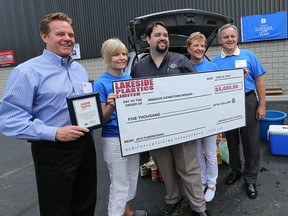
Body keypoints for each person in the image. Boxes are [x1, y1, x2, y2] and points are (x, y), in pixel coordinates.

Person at [0, 12, 97, 216]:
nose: (67, 39)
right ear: (44, 37)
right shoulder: (27, 71)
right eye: (60, 34)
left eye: (70, 34)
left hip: (86, 144)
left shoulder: (78, 69)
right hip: (53, 150)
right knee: (57, 209)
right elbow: (10, 119)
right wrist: (54, 132)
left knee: (85, 202)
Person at [131, 21, 210, 216]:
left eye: (165, 35)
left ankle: (198, 206)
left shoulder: (181, 61)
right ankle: (173, 198)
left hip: (182, 127)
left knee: (189, 169)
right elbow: (133, 100)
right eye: (158, 35)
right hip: (155, 129)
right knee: (165, 169)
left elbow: (197, 89)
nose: (163, 38)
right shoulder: (139, 68)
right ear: (148, 39)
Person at [93, 38, 147, 216]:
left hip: (131, 136)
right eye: (116, 54)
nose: (122, 57)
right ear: (107, 58)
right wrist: (111, 105)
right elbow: (101, 119)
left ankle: (127, 211)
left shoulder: (128, 78)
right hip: (114, 138)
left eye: (124, 54)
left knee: (132, 177)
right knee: (118, 183)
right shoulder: (100, 83)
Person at [212, 23, 266, 199]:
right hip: (227, 103)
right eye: (226, 37)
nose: (229, 39)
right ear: (220, 40)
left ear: (237, 38)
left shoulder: (248, 55)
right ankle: (236, 170)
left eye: (232, 36)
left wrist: (262, 105)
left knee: (250, 141)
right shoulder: (215, 63)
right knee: (231, 139)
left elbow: (259, 81)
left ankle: (250, 179)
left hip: (247, 100)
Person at [186, 32, 219, 202]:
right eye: (196, 45)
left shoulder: (212, 67)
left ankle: (212, 183)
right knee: (197, 153)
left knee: (210, 151)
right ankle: (203, 180)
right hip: (192, 118)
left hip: (210, 117)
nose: (199, 48)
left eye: (202, 45)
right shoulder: (184, 67)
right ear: (189, 48)